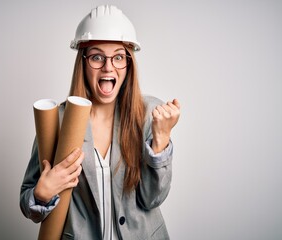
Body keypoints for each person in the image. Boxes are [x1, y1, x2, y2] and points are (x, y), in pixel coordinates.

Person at [20, 4, 180, 240]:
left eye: (118, 57)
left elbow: (152, 198)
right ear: (83, 63)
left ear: (129, 64)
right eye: (97, 57)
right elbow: (29, 202)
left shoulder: (149, 114)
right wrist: (41, 194)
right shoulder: (58, 121)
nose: (108, 67)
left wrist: (161, 142)